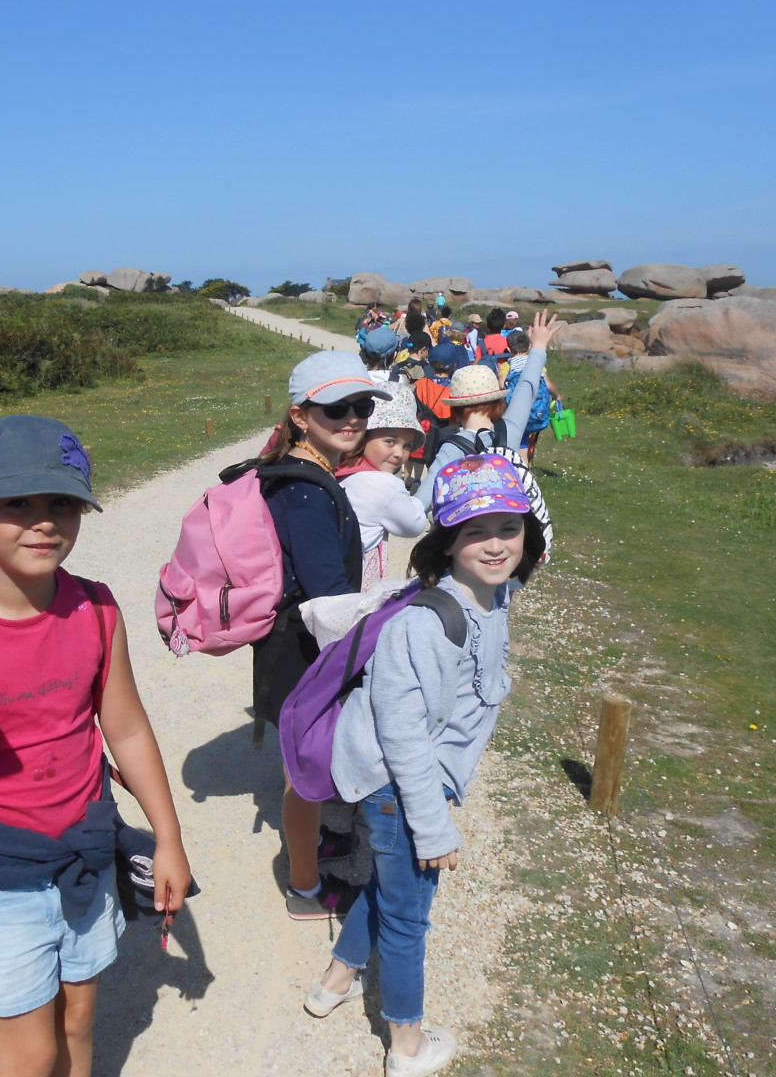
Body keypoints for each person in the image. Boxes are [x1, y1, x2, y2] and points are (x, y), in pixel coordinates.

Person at [0, 415, 192, 1077]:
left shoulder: (97, 609)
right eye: (16, 504)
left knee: (79, 1021)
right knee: (27, 1058)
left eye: (62, 502)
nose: (44, 521)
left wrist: (167, 838)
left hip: (84, 847)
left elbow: (128, 728)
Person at [304, 453, 546, 1077]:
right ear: (446, 542)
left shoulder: (495, 591)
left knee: (392, 886)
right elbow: (403, 735)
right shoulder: (425, 623)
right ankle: (406, 1047)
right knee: (410, 915)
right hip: (400, 787)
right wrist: (432, 824)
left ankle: (333, 983)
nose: (495, 545)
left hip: (414, 783)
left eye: (509, 528)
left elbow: (520, 546)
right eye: (474, 532)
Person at [255, 352, 390, 919]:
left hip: (294, 640)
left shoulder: (306, 474)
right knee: (303, 775)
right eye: (337, 409)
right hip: (303, 648)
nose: (354, 419)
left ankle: (311, 852)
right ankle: (306, 890)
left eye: (362, 407)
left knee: (304, 766)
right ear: (301, 416)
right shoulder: (307, 491)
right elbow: (329, 597)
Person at [418, 309, 563, 498]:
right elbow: (527, 385)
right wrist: (538, 347)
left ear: (454, 408)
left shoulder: (451, 448)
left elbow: (419, 506)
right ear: (497, 401)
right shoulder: (511, 430)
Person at [336, 387, 428, 589]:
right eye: (390, 441)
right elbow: (415, 525)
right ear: (364, 436)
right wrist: (415, 501)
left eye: (407, 446)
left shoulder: (340, 468)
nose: (399, 454)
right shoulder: (384, 484)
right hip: (356, 583)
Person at [504, 329, 562, 464]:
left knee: (520, 438)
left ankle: (521, 466)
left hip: (515, 410)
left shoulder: (508, 365)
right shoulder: (536, 364)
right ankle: (528, 462)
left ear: (508, 348)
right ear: (530, 346)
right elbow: (547, 384)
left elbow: (502, 385)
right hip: (536, 410)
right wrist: (557, 395)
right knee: (529, 436)